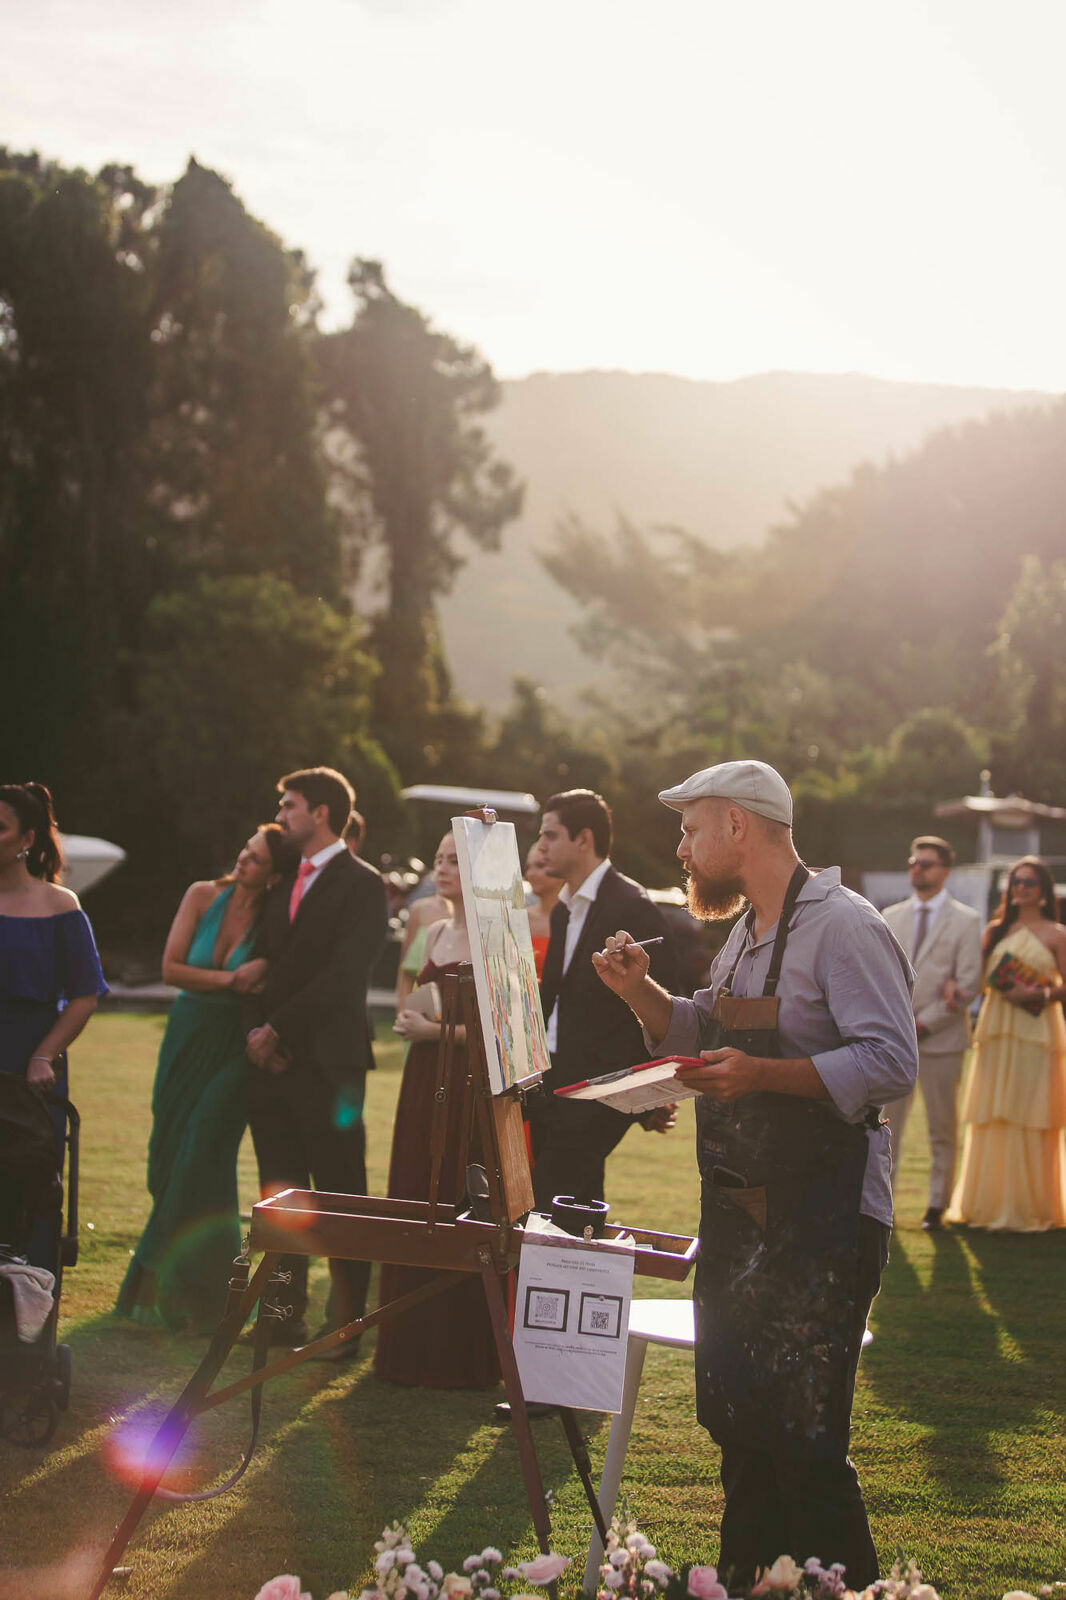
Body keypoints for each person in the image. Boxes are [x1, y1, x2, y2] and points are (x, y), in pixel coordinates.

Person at [591, 759, 918, 1590]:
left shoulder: (845, 926)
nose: (682, 846)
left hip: (827, 1221)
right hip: (741, 1218)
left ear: (739, 826)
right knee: (741, 1437)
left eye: (692, 828)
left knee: (804, 1446)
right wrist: (640, 994)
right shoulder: (748, 930)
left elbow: (891, 1061)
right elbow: (701, 1028)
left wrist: (765, 1076)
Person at [114, 825, 297, 1333]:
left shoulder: (275, 920)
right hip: (187, 1035)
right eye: (244, 850)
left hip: (234, 1045)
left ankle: (154, 1283)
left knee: (201, 1151)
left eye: (255, 859)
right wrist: (231, 979)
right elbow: (171, 969)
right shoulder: (202, 894)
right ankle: (214, 1295)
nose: (242, 861)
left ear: (275, 875)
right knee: (168, 1160)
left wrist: (261, 974)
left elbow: (283, 974)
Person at [246, 767, 388, 1352]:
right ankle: (280, 1315)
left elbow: (345, 975)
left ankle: (347, 1323)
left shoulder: (363, 884)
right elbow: (261, 964)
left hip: (330, 1065)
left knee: (339, 1192)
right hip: (272, 1066)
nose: (281, 813)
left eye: (291, 804)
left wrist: (279, 1029)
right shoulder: (282, 883)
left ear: (322, 812)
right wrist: (258, 1034)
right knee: (280, 1194)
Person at [375, 830, 500, 1388]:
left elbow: (500, 1032)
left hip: (466, 1085)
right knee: (412, 1192)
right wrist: (413, 1021)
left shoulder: (494, 939)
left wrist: (434, 1029)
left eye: (457, 859)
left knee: (454, 1193)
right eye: (440, 859)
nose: (444, 868)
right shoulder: (434, 929)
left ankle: (455, 1357)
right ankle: (405, 1349)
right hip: (421, 1081)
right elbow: (415, 994)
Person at [529, 789, 678, 1212]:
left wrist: (643, 1101)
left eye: (550, 835)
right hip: (553, 1086)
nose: (541, 846)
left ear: (584, 840)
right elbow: (553, 998)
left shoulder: (631, 906)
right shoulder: (563, 909)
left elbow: (665, 1008)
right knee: (569, 1213)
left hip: (601, 1095)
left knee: (550, 1204)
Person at [0, 783, 108, 1269]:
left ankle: (26, 1302)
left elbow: (86, 994)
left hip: (29, 1062)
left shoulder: (60, 906)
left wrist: (44, 1054)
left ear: (25, 839)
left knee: (28, 1175)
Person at [947, 856, 1066, 1232]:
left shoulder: (1057, 934)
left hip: (1036, 1036)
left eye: (1029, 883)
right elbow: (979, 981)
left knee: (1031, 1114)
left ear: (1043, 892)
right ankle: (988, 1205)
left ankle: (1033, 1206)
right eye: (1015, 882)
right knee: (994, 1112)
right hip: (997, 1035)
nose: (1020, 889)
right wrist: (957, 990)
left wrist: (1040, 993)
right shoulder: (995, 932)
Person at [881, 837, 983, 1230]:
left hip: (942, 1042)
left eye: (926, 863)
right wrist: (899, 1023)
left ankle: (937, 1206)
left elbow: (970, 982)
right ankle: (882, 1207)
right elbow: (882, 976)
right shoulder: (891, 915)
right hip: (893, 1041)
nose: (918, 868)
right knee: (887, 1128)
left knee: (942, 1127)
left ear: (945, 870)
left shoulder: (967, 920)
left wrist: (924, 1023)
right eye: (913, 862)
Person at [524, 841, 561, 979]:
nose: (530, 874)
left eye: (540, 866)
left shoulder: (575, 919)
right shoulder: (520, 919)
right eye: (528, 867)